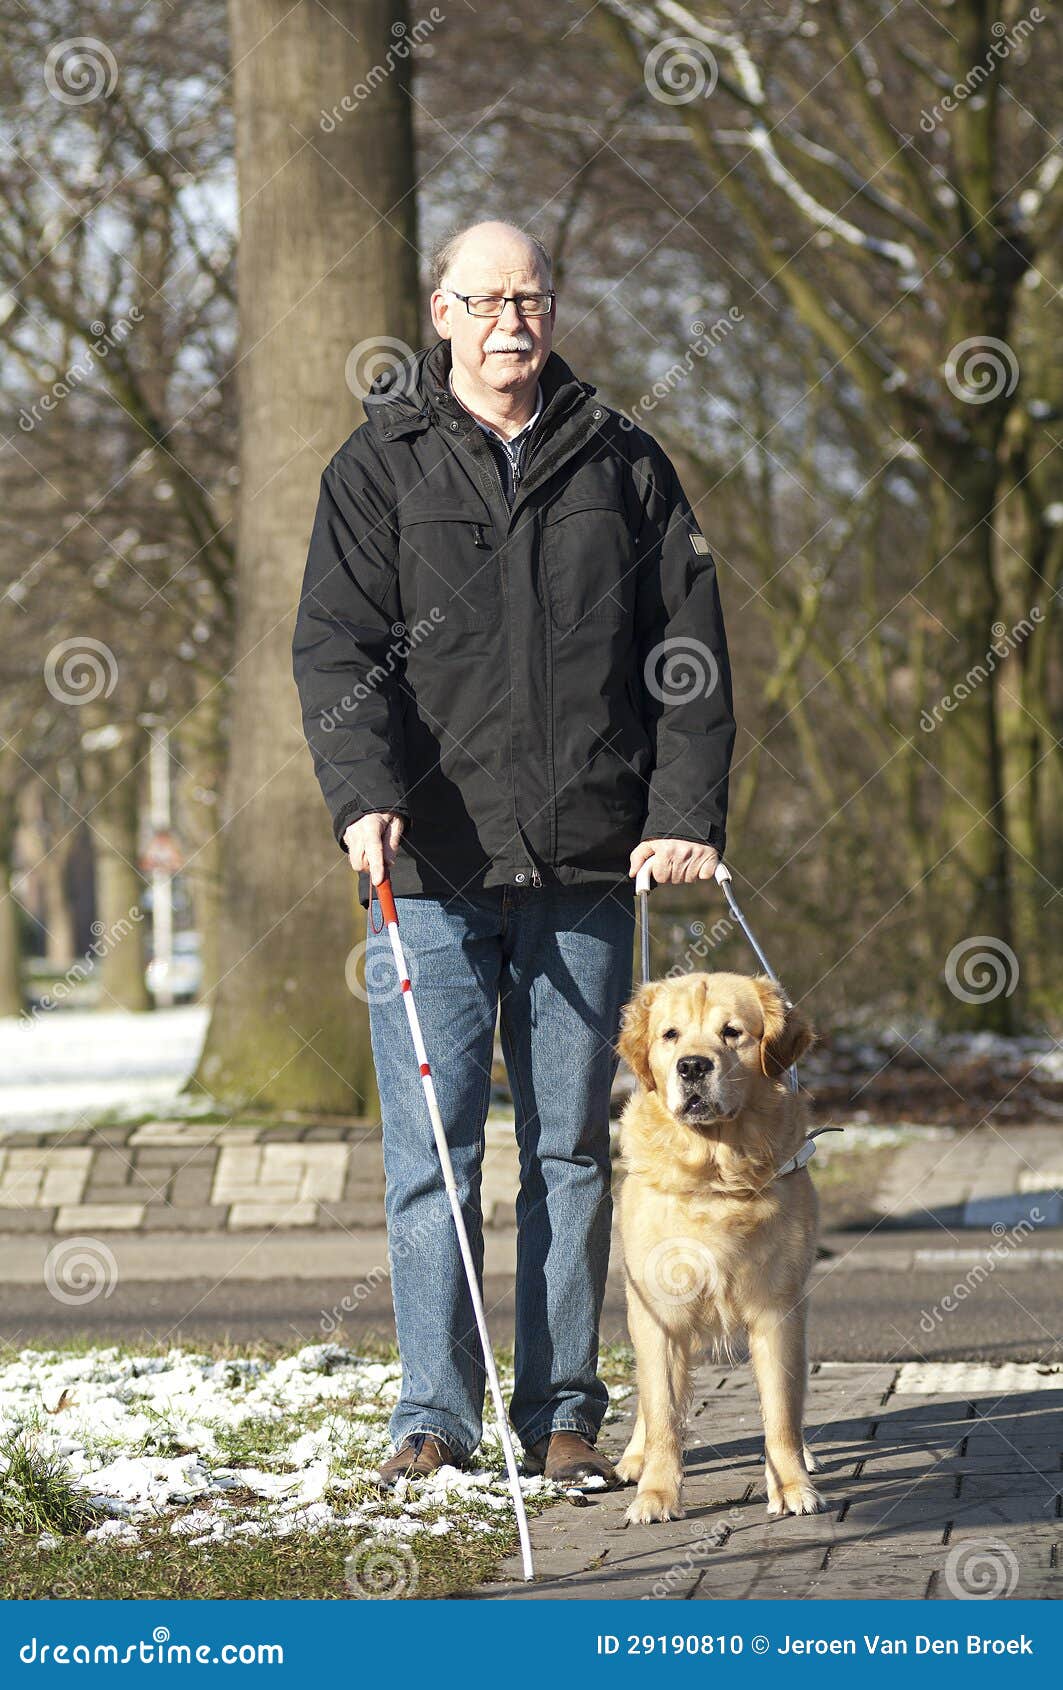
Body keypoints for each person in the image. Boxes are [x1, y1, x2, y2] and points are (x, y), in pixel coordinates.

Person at [292, 220, 735, 1490]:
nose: (508, 321)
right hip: (424, 865)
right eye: (483, 299)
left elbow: (688, 659)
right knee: (434, 1156)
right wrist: (361, 793)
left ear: (553, 310)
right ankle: (430, 1415)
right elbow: (334, 651)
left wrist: (684, 809)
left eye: (529, 297)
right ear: (440, 313)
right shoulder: (375, 468)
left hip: (591, 860)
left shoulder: (626, 464)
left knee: (571, 1151)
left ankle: (563, 1415)